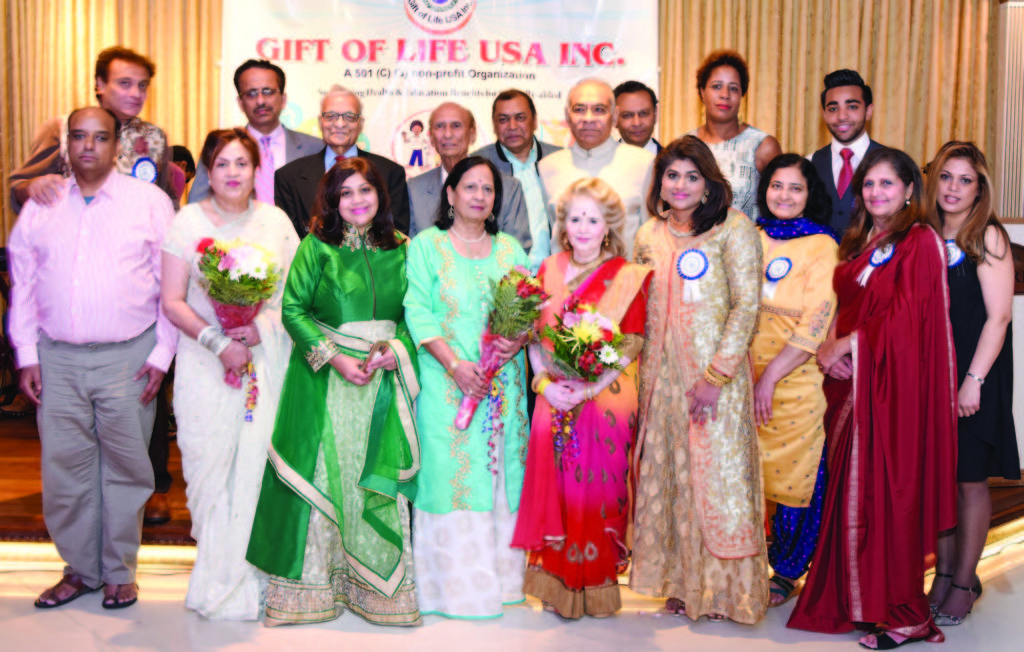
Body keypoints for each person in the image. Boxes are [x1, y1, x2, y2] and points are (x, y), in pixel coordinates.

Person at [787, 148, 957, 650]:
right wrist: (831, 349)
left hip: (895, 395)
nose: (877, 193)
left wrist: (848, 344)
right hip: (852, 387)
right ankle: (861, 601)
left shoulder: (921, 240)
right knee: (856, 497)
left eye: (888, 184)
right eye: (869, 185)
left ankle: (906, 614)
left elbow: (909, 319)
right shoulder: (862, 241)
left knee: (892, 497)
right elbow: (847, 307)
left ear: (909, 190)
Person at [8, 106, 177, 610]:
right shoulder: (43, 202)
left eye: (99, 138)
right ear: (66, 145)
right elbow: (24, 285)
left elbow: (172, 282)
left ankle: (120, 570)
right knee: (66, 471)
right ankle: (80, 569)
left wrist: (163, 353)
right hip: (55, 359)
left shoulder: (148, 201)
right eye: (78, 137)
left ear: (115, 143)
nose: (88, 147)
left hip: (129, 356)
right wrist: (25, 354)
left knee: (126, 469)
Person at [246, 157, 421, 627]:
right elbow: (293, 310)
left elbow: (414, 315)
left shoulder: (402, 247)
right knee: (323, 476)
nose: (358, 200)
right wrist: (335, 357)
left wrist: (396, 350)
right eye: (346, 193)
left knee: (371, 481)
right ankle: (314, 590)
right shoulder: (316, 247)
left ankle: (377, 593)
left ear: (381, 196)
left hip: (380, 382)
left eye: (366, 190)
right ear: (331, 200)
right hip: (327, 381)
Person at [161, 128, 298, 620]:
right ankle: (216, 581)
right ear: (206, 172)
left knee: (256, 470)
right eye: (222, 164)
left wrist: (258, 328)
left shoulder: (276, 222)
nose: (233, 173)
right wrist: (219, 342)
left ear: (256, 169)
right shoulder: (187, 222)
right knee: (208, 469)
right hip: (204, 364)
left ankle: (254, 583)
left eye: (242, 163)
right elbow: (172, 300)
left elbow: (293, 296)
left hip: (264, 362)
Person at [630, 136, 767, 624]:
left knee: (717, 482)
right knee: (674, 480)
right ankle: (684, 585)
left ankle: (725, 593)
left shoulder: (734, 230)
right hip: (661, 380)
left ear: (709, 183)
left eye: (692, 176)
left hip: (716, 383)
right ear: (660, 183)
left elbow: (747, 306)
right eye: (672, 176)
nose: (681, 185)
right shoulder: (649, 235)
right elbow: (639, 309)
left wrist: (717, 375)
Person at [512, 178, 652, 619]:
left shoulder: (627, 277)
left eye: (594, 219)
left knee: (597, 493)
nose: (584, 227)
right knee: (557, 490)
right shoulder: (547, 269)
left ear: (609, 225)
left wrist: (589, 388)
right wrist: (544, 384)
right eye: (576, 218)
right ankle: (557, 589)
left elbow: (632, 341)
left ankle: (596, 587)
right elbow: (533, 337)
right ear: (563, 225)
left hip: (606, 397)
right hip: (553, 395)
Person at [403, 156, 530, 619]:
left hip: (502, 387)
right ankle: (451, 590)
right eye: (469, 187)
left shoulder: (510, 250)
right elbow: (418, 311)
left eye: (488, 189)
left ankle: (502, 582)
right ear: (450, 194)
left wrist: (513, 345)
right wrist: (455, 366)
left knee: (497, 476)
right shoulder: (426, 247)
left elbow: (527, 308)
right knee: (450, 477)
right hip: (445, 385)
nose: (479, 196)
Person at [925, 141, 1017, 626]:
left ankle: (964, 581)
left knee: (969, 479)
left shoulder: (989, 237)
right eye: (946, 177)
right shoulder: (923, 233)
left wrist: (973, 381)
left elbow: (999, 317)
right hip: (932, 374)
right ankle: (941, 575)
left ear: (979, 188)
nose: (953, 188)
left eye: (965, 180)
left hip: (974, 374)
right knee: (939, 479)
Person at [749, 154, 839, 606]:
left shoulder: (822, 245)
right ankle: (746, 560)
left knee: (794, 476)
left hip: (796, 377)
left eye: (795, 188)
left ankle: (785, 570)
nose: (784, 196)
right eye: (776, 186)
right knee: (749, 473)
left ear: (810, 195)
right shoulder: (752, 236)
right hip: (743, 374)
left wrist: (768, 380)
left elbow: (814, 324)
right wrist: (745, 372)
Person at [8, 46, 179, 213]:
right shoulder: (63, 128)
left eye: (142, 85)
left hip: (137, 237)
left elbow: (166, 198)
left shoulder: (155, 137)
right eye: (125, 83)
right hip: (74, 235)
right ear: (100, 84)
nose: (136, 93)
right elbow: (18, 190)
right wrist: (33, 187)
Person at [539, 78, 654, 257]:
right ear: (568, 116)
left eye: (599, 110)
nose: (588, 119)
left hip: (624, 281)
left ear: (615, 116)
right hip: (563, 283)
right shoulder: (547, 167)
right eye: (579, 110)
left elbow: (652, 239)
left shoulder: (644, 163)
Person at [275, 85, 410, 236]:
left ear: (360, 124)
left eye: (350, 117)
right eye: (330, 116)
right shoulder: (288, 176)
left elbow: (397, 236)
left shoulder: (390, 173)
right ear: (320, 122)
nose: (339, 124)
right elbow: (288, 240)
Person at [188, 59, 322, 205]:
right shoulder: (219, 149)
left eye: (268, 92)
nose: (260, 101)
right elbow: (197, 202)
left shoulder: (315, 148)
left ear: (283, 99)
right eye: (251, 93)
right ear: (240, 103)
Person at [408, 102, 533, 252]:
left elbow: (517, 251)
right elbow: (411, 251)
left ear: (472, 134)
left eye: (456, 126)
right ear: (431, 137)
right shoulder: (414, 188)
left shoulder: (509, 188)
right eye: (440, 126)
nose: (448, 134)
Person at [473, 89, 563, 269]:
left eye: (520, 117)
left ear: (535, 120)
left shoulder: (561, 160)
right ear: (494, 125)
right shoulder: (477, 165)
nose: (512, 126)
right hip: (499, 276)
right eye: (503, 119)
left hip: (558, 274)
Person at [689, 50, 782, 220]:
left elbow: (782, 206)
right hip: (693, 245)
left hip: (748, 243)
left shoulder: (762, 146)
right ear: (702, 92)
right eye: (717, 86)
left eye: (733, 88)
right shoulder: (685, 145)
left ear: (741, 96)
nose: (725, 95)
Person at [809, 69, 885, 235]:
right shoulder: (809, 163)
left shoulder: (891, 162)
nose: (842, 116)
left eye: (852, 107)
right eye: (833, 109)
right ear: (824, 114)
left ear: (868, 111)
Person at [614, 80, 662, 153]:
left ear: (655, 114)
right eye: (627, 115)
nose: (637, 123)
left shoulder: (675, 162)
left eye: (644, 113)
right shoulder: (600, 163)